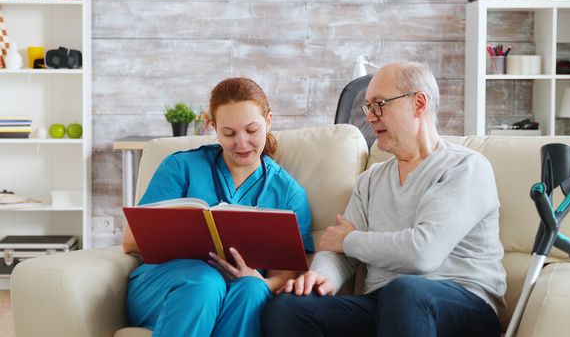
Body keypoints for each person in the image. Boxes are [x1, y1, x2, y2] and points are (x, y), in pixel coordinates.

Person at [262, 62, 507, 337]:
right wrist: (321, 278)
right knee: (286, 307)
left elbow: (422, 253)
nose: (370, 116)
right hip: (385, 304)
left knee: (404, 291)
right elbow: (338, 252)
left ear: (419, 103)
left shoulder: (465, 168)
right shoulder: (372, 179)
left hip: (464, 303)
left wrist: (350, 240)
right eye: (368, 107)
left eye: (380, 104)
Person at [122, 77, 315, 337]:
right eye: (229, 133)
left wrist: (261, 281)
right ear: (213, 127)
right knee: (205, 281)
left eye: (251, 130)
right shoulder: (180, 167)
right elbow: (131, 241)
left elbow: (286, 274)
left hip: (239, 290)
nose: (242, 143)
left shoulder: (289, 192)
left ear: (269, 120)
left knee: (252, 290)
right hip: (166, 285)